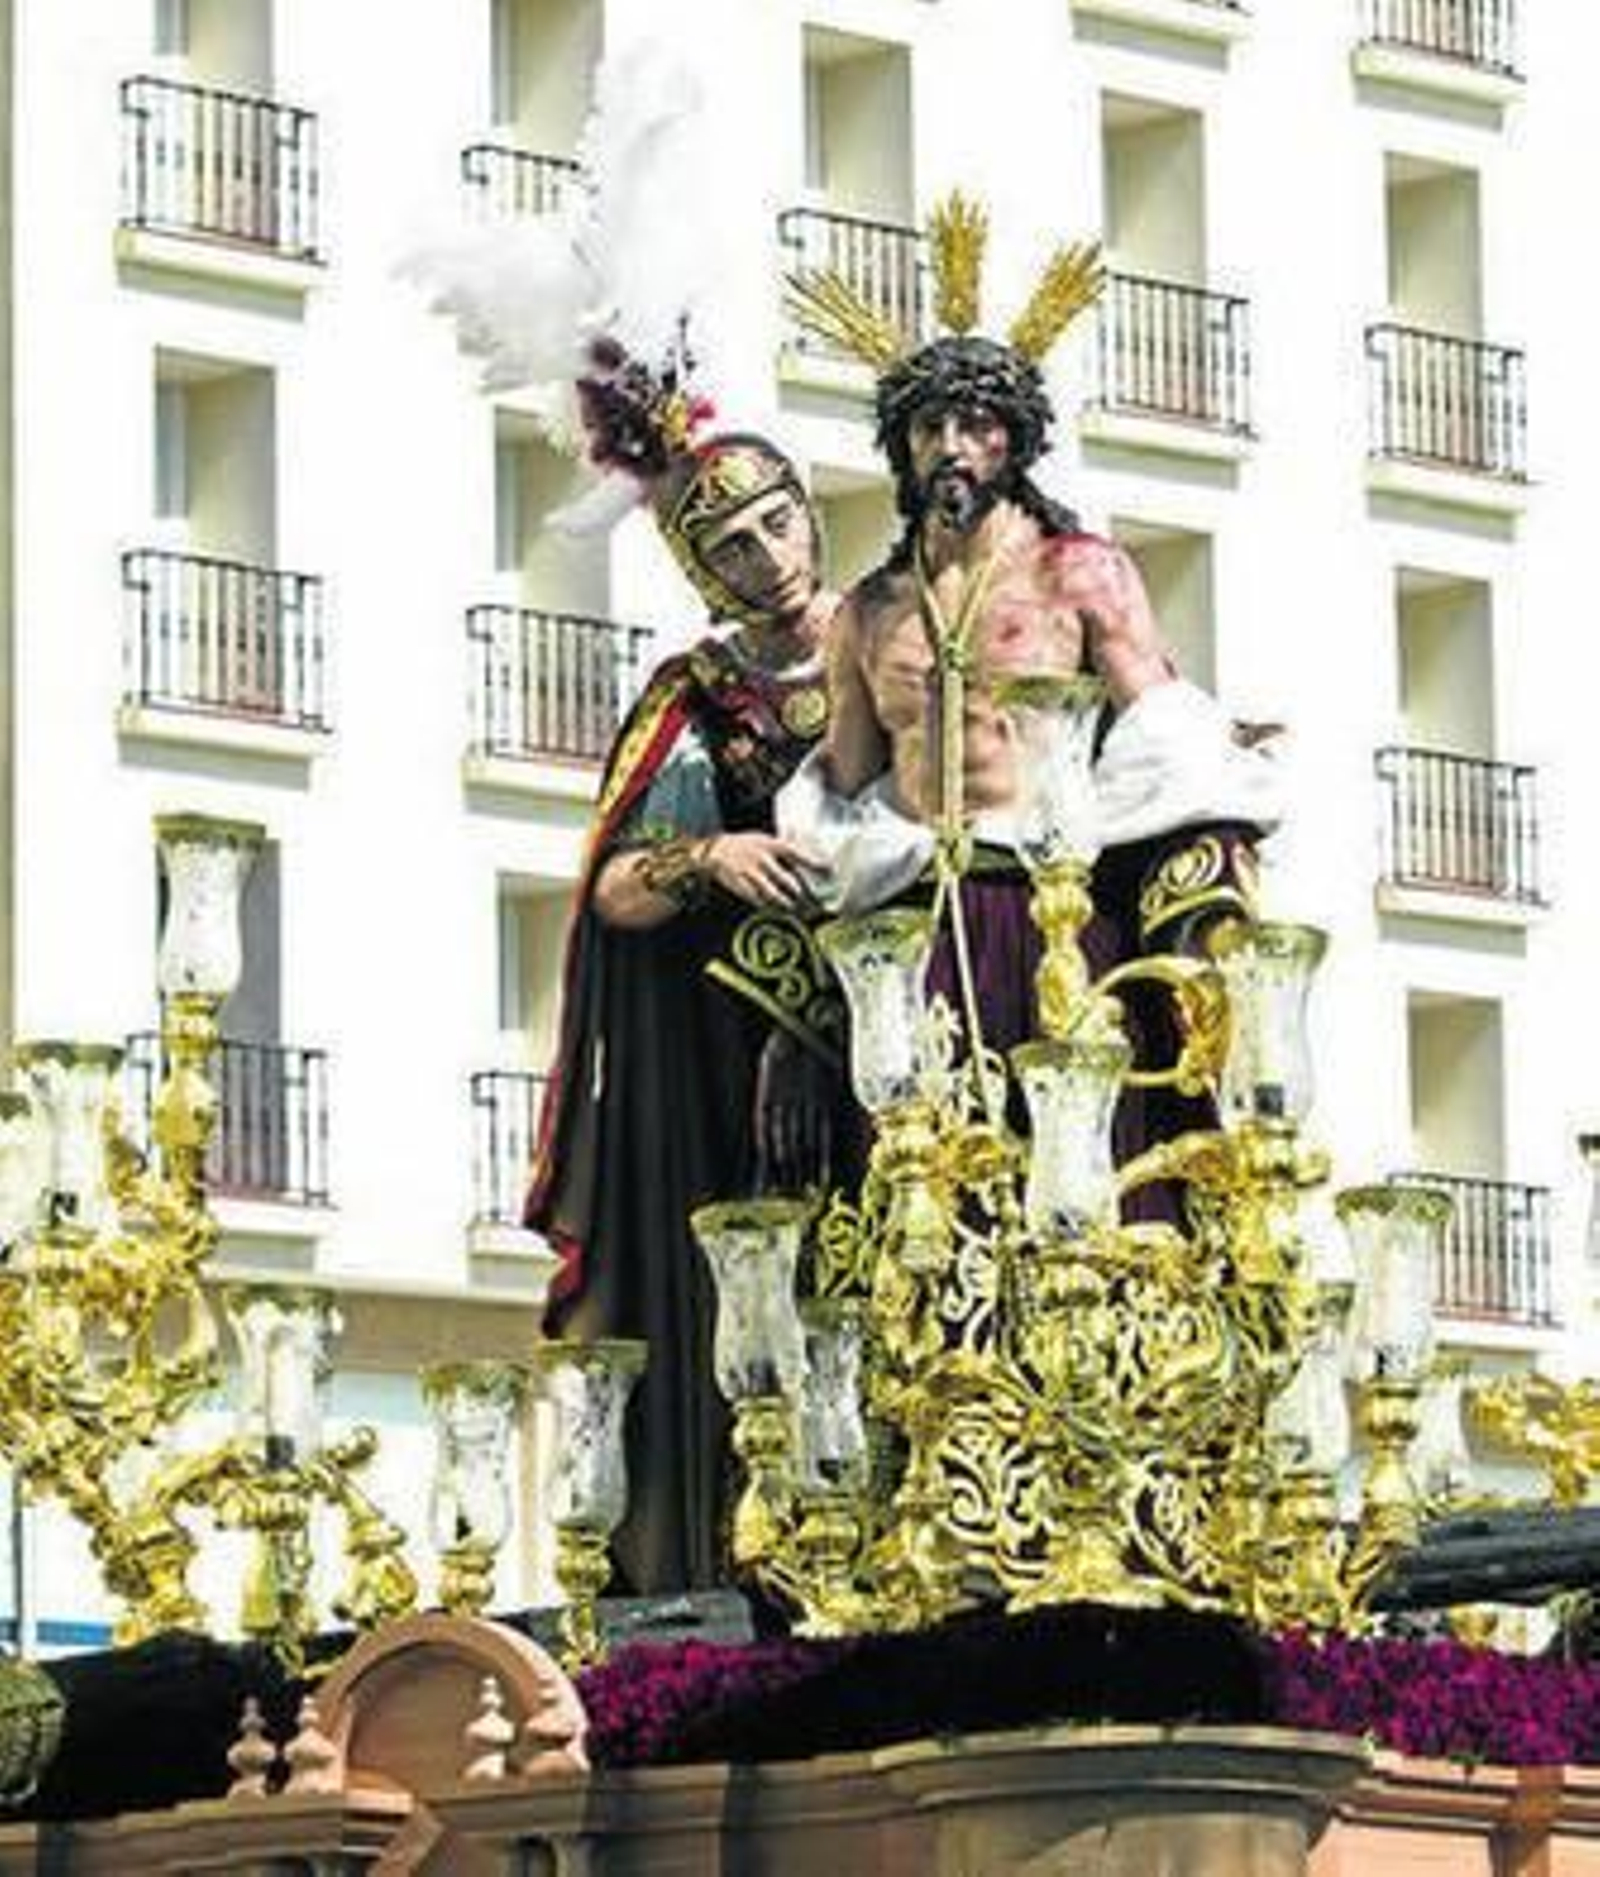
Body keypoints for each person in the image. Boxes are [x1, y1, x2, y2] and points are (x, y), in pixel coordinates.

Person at [780, 228, 1279, 1170]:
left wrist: (1222, 755)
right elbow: (840, 796)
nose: (952, 448)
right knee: (920, 1178)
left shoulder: (1078, 572)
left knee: (1074, 1164)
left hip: (1049, 906)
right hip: (918, 915)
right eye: (930, 429)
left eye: (976, 425)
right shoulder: (867, 614)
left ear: (1016, 438)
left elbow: (1159, 724)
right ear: (901, 448)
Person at [525, 422, 843, 1596]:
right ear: (703, 571)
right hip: (729, 1055)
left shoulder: (891, 639)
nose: (768, 557)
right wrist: (709, 856)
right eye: (732, 545)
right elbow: (614, 887)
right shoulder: (698, 697)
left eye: (776, 523)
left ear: (809, 512)